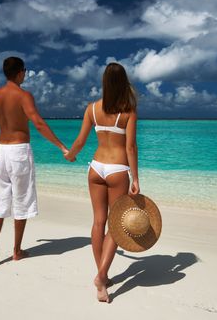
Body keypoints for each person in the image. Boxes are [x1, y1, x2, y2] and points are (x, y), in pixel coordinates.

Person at [64, 62, 140, 303]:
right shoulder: (128, 111)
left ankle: (102, 276)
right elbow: (130, 147)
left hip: (96, 168)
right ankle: (101, 277)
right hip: (118, 169)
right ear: (123, 82)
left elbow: (80, 140)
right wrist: (135, 177)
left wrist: (71, 154)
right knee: (116, 225)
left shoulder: (92, 109)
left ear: (104, 82)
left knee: (98, 222)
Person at [0, 56, 68, 265]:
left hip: (1, 152)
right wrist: (62, 146)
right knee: (21, 200)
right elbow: (38, 123)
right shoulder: (23, 95)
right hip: (19, 152)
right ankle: (17, 250)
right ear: (20, 72)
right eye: (25, 71)